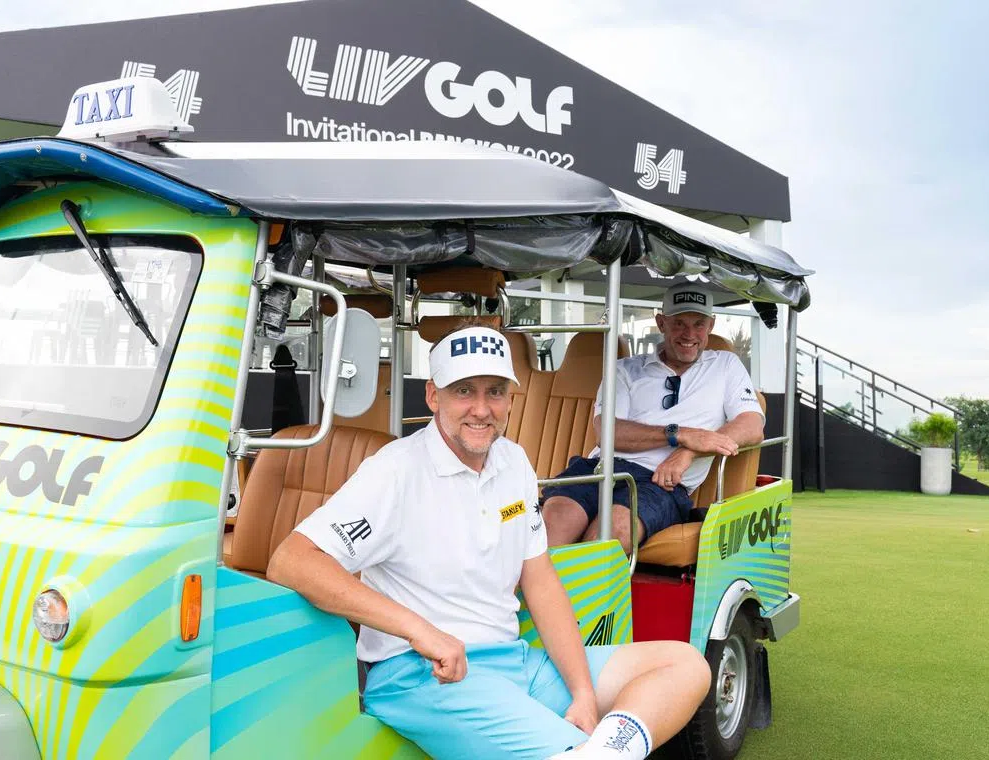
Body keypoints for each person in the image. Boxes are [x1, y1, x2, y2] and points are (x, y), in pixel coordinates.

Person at [268, 323, 709, 760]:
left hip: (514, 661)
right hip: (424, 675)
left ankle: (603, 752)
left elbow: (540, 583)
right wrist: (421, 631)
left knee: (685, 665)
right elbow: (292, 560)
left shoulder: (513, 460)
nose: (481, 409)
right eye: (464, 391)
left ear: (510, 399)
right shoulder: (396, 470)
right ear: (433, 395)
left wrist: (582, 693)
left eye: (495, 391)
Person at [541, 283, 765, 550]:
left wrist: (688, 452)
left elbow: (752, 424)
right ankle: (535, 591)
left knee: (611, 532)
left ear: (711, 325)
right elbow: (607, 434)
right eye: (679, 323)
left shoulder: (725, 365)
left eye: (699, 324)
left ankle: (573, 590)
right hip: (601, 468)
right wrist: (680, 434)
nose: (689, 334)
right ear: (661, 323)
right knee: (551, 524)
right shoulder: (625, 370)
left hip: (661, 486)